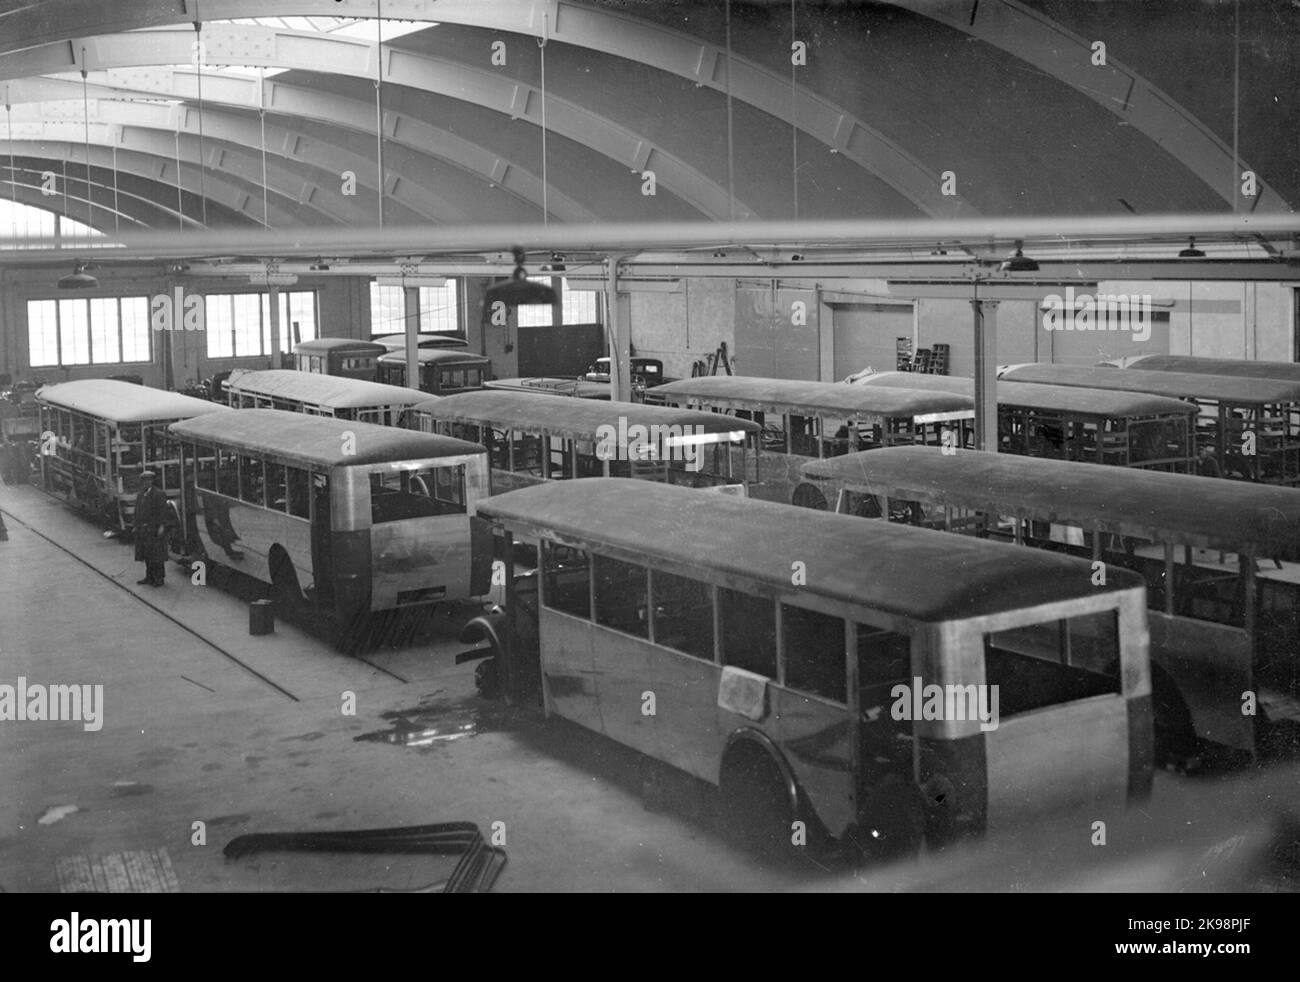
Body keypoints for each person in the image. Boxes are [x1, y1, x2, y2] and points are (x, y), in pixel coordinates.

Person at [133, 471, 172, 586]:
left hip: (154, 529)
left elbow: (163, 512)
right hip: (143, 529)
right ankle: (149, 577)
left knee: (157, 555)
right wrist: (135, 525)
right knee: (146, 554)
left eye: (148, 480)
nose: (146, 483)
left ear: (152, 481)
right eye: (144, 481)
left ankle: (159, 578)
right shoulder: (141, 495)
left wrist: (162, 526)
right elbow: (137, 511)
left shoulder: (159, 494)